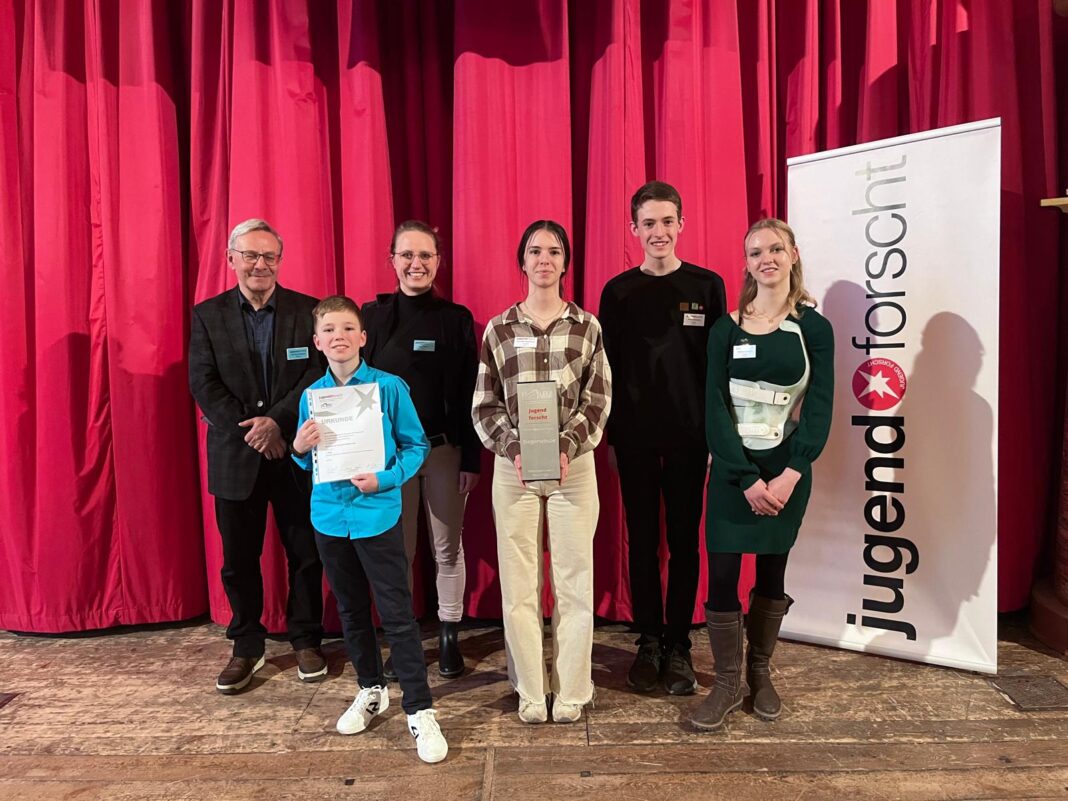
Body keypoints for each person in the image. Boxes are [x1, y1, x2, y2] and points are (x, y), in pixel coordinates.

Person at [689, 218, 833, 731]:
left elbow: (818, 407)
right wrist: (745, 478)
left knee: (773, 573)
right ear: (746, 263)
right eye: (755, 252)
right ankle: (726, 682)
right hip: (734, 473)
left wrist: (792, 473)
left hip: (787, 473)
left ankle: (760, 674)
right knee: (723, 573)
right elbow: (715, 408)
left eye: (775, 248)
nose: (765, 258)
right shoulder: (725, 328)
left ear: (793, 254)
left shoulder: (814, 328)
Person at [291, 295, 448, 764]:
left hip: (377, 514)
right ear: (318, 342)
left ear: (362, 337)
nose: (338, 337)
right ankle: (370, 688)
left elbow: (417, 445)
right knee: (351, 613)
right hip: (329, 518)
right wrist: (299, 445)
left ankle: (420, 710)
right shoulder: (311, 397)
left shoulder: (389, 388)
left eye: (347, 329)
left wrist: (387, 478)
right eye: (329, 331)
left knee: (397, 616)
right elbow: (307, 457)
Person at [471, 220, 611, 724]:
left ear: (565, 262)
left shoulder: (587, 326)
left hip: (574, 468)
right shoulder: (498, 328)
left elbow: (597, 400)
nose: (544, 260)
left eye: (554, 251)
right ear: (522, 261)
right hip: (513, 471)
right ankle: (531, 689)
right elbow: (485, 405)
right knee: (520, 582)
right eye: (535, 251)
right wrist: (515, 448)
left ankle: (573, 688)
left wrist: (565, 445)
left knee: (575, 580)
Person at [598, 181, 727, 695]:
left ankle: (679, 645)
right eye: (648, 223)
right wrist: (607, 437)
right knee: (643, 542)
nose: (658, 231)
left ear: (681, 225)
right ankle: (647, 639)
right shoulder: (618, 292)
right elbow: (603, 370)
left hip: (692, 439)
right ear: (634, 229)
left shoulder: (708, 286)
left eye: (667, 221)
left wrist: (718, 437)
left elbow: (718, 369)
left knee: (684, 543)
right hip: (631, 439)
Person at [188, 218, 327, 695]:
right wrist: (253, 431)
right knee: (238, 560)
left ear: (279, 261)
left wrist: (277, 424)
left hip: (296, 453)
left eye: (269, 256)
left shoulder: (307, 311)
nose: (260, 264)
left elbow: (315, 373)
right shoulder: (207, 315)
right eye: (250, 255)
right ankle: (247, 644)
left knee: (306, 554)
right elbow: (203, 384)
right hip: (237, 455)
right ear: (231, 260)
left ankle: (306, 637)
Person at [362, 221, 480, 680]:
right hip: (391, 458)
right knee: (400, 550)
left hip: (444, 452)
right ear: (392, 260)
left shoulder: (455, 319)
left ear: (438, 262)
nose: (417, 264)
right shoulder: (370, 318)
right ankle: (404, 637)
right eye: (407, 255)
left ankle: (450, 635)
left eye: (426, 256)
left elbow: (473, 392)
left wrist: (472, 458)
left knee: (447, 548)